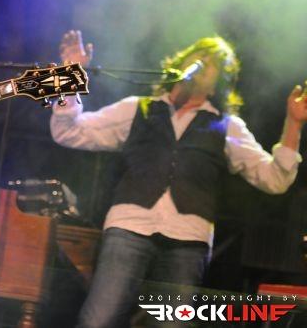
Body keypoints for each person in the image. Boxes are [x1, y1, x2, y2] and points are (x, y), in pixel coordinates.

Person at [50, 30, 307, 328]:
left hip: (188, 239)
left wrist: (293, 123)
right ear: (182, 61)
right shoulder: (137, 108)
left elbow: (275, 179)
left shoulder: (228, 126)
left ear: (219, 83)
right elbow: (68, 131)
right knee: (99, 319)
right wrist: (69, 74)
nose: (204, 63)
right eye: (200, 55)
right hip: (129, 226)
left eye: (213, 63)